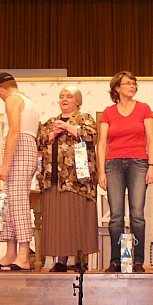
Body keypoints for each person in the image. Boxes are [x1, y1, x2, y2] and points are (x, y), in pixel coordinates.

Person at [97, 71, 153, 273]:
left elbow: (151, 140)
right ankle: (117, 260)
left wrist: (151, 165)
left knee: (137, 215)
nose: (132, 86)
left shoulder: (143, 109)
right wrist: (101, 171)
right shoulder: (108, 112)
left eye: (134, 83)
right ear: (117, 88)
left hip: (138, 163)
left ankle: (137, 260)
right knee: (116, 216)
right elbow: (102, 143)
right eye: (128, 83)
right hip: (113, 164)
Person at [37, 86, 99, 272]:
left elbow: (92, 136)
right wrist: (52, 134)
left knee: (79, 219)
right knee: (59, 223)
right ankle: (60, 261)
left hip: (78, 181)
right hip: (54, 180)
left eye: (69, 96)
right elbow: (39, 142)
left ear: (77, 101)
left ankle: (81, 260)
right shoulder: (51, 122)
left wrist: (68, 128)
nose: (64, 99)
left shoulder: (85, 119)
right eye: (61, 96)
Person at [0, 73, 40, 272]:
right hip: (25, 147)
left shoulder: (12, 99)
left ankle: (23, 255)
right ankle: (11, 253)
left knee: (18, 202)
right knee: (10, 202)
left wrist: (5, 164)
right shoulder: (30, 102)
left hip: (19, 148)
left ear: (0, 89)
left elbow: (14, 131)